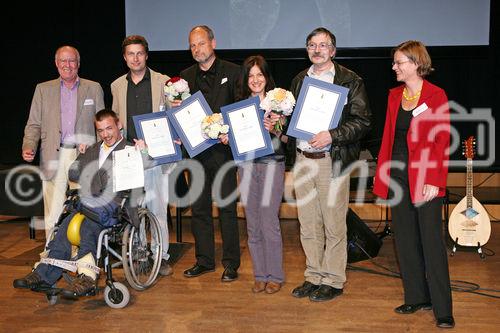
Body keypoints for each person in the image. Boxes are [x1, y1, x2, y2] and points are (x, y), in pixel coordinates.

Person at [13, 109, 143, 297]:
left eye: (109, 128)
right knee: (64, 226)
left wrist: (144, 152)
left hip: (115, 207)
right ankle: (43, 274)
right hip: (89, 206)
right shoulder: (91, 150)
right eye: (100, 130)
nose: (105, 134)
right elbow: (73, 173)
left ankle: (87, 277)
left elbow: (141, 175)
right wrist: (81, 158)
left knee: (87, 226)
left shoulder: (131, 149)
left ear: (119, 125)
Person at [372, 40, 454, 329]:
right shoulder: (395, 95)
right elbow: (389, 137)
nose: (394, 67)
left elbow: (442, 140)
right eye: (394, 62)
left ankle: (443, 309)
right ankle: (417, 296)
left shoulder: (435, 95)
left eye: (399, 62)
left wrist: (434, 179)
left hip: (424, 177)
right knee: (404, 239)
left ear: (416, 63)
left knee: (431, 241)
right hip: (397, 176)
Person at [288, 27, 371, 302]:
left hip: (331, 161)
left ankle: (334, 280)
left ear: (333, 50)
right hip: (303, 161)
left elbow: (363, 121)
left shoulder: (350, 80)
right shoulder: (300, 80)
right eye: (312, 45)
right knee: (308, 225)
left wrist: (332, 136)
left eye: (323, 45)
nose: (317, 50)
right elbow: (292, 121)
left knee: (334, 225)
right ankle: (313, 276)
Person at [179, 25, 241, 282]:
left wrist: (232, 133)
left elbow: (240, 109)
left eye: (201, 43)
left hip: (224, 152)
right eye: (193, 45)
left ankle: (231, 263)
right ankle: (204, 260)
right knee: (200, 209)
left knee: (227, 208)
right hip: (196, 153)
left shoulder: (234, 72)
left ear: (213, 43)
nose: (197, 49)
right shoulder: (184, 77)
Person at [22, 45, 105, 238]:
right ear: (56, 64)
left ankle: (82, 255)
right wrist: (29, 145)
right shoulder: (43, 89)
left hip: (83, 155)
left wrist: (98, 150)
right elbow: (34, 123)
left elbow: (102, 125)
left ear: (78, 63)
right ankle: (51, 254)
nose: (67, 65)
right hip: (53, 153)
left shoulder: (93, 88)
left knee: (84, 209)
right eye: (63, 61)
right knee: (53, 211)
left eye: (72, 61)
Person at [111, 35, 173, 276]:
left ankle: (162, 255)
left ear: (146, 55)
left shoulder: (163, 82)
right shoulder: (116, 85)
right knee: (133, 210)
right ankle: (139, 255)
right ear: (125, 58)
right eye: (130, 54)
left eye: (139, 53)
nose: (135, 58)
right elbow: (116, 121)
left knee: (157, 208)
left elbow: (172, 116)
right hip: (129, 157)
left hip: (155, 155)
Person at [230, 55, 286, 293]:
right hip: (246, 166)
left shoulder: (279, 103)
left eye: (259, 75)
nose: (255, 80)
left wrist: (276, 128)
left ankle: (275, 275)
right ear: (246, 79)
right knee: (252, 223)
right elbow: (234, 140)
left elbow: (286, 139)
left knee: (269, 221)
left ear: (266, 77)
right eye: (251, 76)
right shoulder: (239, 107)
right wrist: (226, 136)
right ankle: (260, 274)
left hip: (272, 164)